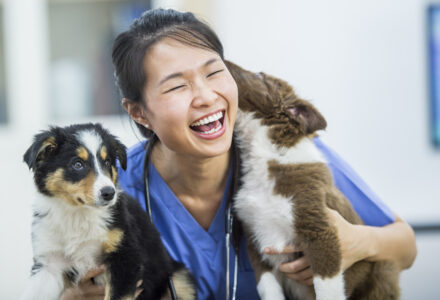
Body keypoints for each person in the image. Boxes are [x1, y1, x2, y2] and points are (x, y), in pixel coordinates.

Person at [60, 8, 417, 300]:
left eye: (215, 72)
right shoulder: (110, 189)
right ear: (138, 112)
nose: (206, 96)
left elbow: (405, 247)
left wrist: (357, 243)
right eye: (177, 86)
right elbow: (67, 284)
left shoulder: (287, 154)